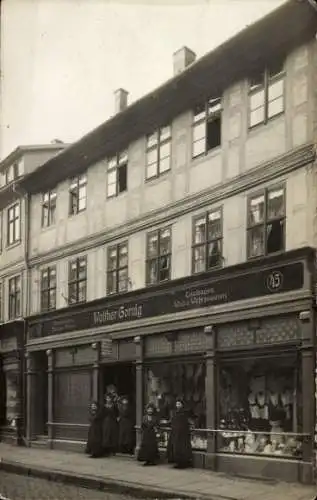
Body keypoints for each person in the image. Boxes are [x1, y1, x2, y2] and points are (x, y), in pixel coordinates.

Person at [167, 398, 193, 469]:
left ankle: (183, 463)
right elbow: (172, 421)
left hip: (183, 434)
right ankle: (178, 462)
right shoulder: (174, 412)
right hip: (175, 433)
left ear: (182, 405)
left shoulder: (185, 413)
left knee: (182, 448)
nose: (177, 405)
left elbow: (187, 422)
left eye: (179, 404)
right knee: (176, 448)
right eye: (177, 404)